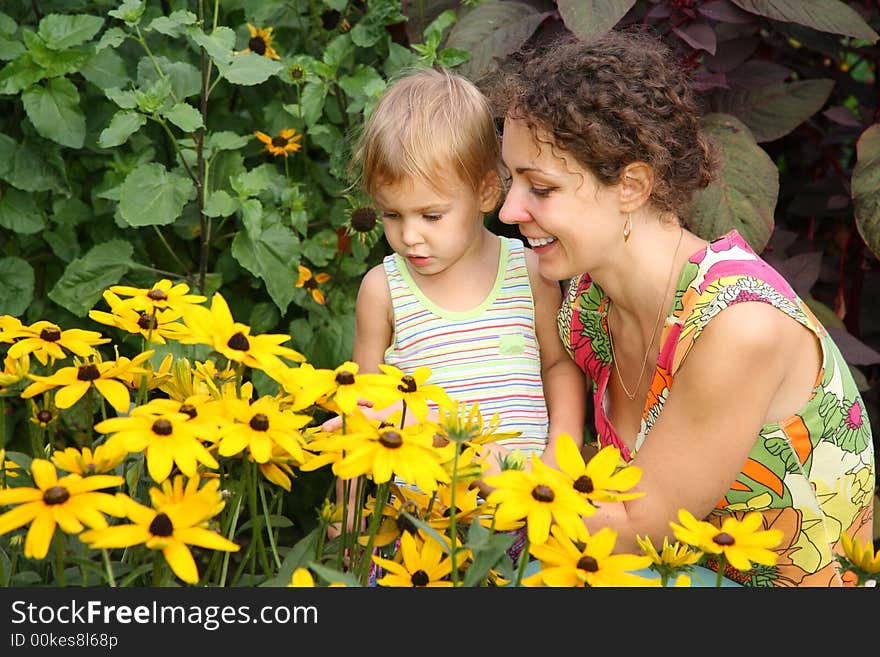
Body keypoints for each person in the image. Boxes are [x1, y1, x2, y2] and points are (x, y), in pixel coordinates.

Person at [489, 28, 875, 587]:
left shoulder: (738, 326)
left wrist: (467, 464)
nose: (508, 210)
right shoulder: (589, 300)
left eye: (540, 188)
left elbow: (633, 534)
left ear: (632, 186)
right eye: (510, 179)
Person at [325, 66, 586, 537]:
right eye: (391, 214)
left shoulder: (527, 272)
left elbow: (558, 365)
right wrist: (347, 513)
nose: (409, 236)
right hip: (415, 524)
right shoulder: (383, 291)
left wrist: (561, 452)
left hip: (521, 516)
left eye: (431, 215)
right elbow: (360, 412)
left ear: (486, 191)